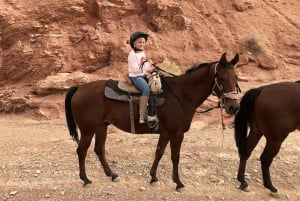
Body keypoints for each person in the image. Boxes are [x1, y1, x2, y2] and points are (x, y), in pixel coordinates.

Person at [128, 31, 156, 124]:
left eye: (143, 42)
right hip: (136, 76)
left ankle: (152, 111)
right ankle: (142, 115)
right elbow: (135, 69)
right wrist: (146, 71)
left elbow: (145, 64)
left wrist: (152, 69)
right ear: (134, 43)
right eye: (139, 42)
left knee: (156, 85)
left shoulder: (142, 53)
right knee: (146, 90)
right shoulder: (132, 54)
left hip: (142, 74)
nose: (142, 44)